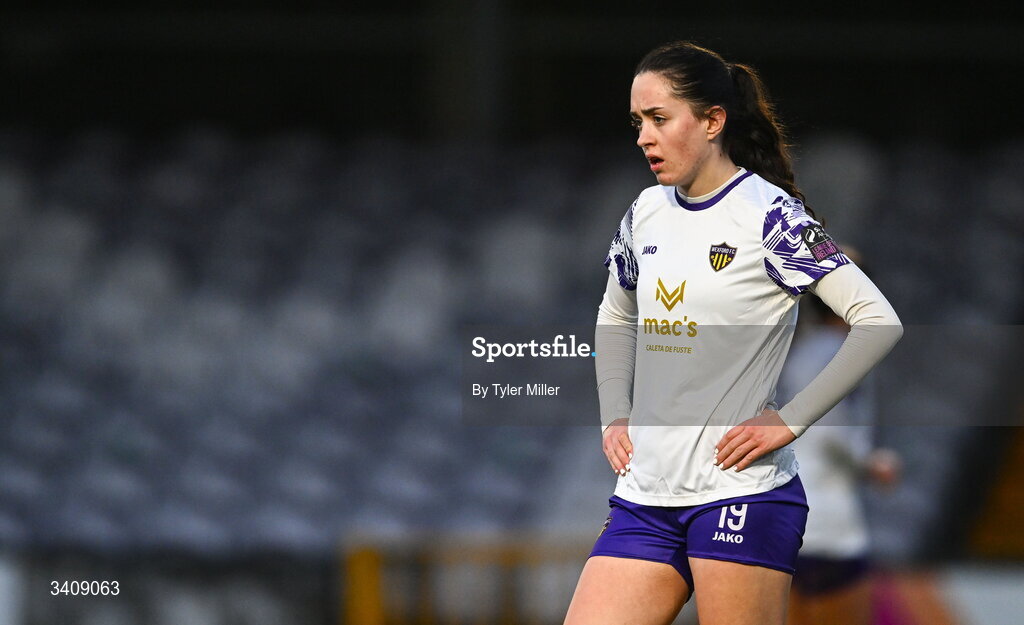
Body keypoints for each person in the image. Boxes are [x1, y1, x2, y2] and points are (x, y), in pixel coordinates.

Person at [563, 41, 903, 625]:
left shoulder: (770, 216)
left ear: (713, 120)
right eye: (638, 121)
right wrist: (613, 414)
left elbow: (878, 322)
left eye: (660, 119)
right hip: (645, 499)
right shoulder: (644, 212)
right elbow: (615, 315)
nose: (644, 136)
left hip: (739, 494)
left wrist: (789, 420)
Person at [781, 250, 901, 625]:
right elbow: (830, 431)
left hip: (794, 502)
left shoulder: (801, 351)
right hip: (828, 515)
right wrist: (871, 464)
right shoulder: (841, 353)